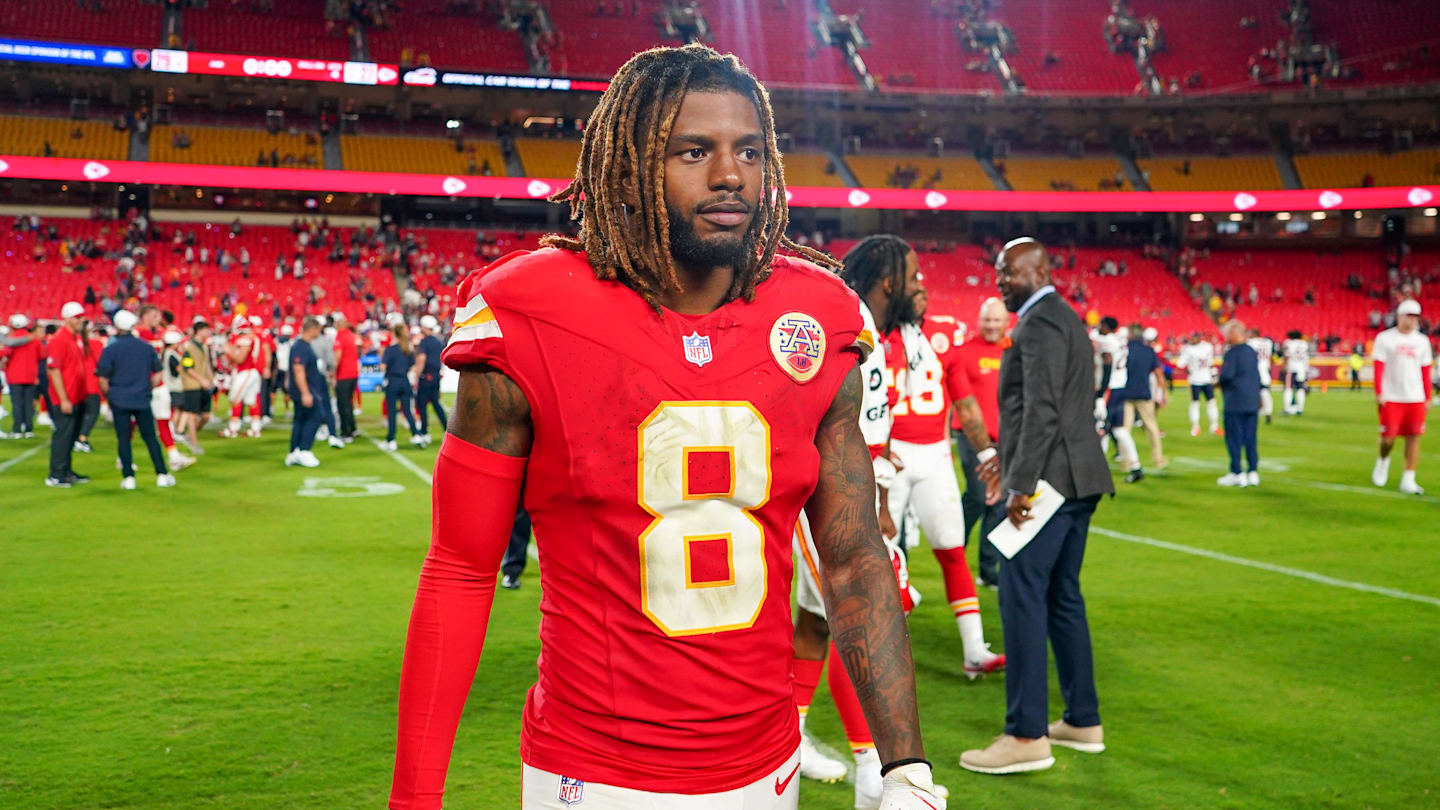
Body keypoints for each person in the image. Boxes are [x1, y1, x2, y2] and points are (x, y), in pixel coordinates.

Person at [389, 44, 943, 810]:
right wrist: (412, 799)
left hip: (769, 766)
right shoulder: (528, 311)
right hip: (595, 775)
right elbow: (460, 569)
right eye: (694, 151)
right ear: (627, 168)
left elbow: (851, 561)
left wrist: (903, 763)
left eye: (749, 150)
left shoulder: (817, 315)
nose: (730, 175)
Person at [961, 238, 1113, 775]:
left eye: (1009, 270)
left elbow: (1043, 409)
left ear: (1039, 270)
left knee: (1021, 591)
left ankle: (1026, 734)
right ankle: (1082, 718)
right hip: (1078, 476)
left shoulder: (1042, 319)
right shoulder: (1061, 316)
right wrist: (1006, 460)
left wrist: (1020, 485)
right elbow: (1048, 409)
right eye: (998, 270)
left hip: (1051, 482)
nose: (1000, 279)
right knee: (1062, 595)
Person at [883, 285, 1004, 679]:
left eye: (921, 285)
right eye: (911, 284)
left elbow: (965, 403)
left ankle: (974, 649)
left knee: (952, 548)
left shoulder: (944, 336)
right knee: (879, 551)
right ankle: (878, 650)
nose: (919, 291)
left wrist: (986, 453)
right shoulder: (874, 331)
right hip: (889, 452)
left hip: (935, 452)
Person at [954, 297, 1009, 587]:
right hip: (972, 438)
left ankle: (989, 571)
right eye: (987, 319)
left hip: (1005, 440)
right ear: (979, 320)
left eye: (996, 320)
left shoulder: (1014, 352)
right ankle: (953, 553)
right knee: (976, 495)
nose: (991, 325)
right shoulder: (963, 352)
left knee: (998, 504)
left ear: (1006, 322)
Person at [96, 310, 175, 490]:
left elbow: (102, 379)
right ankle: (162, 474)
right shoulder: (146, 347)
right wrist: (147, 388)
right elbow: (158, 373)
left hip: (119, 399)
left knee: (123, 439)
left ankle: (128, 477)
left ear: (117, 326)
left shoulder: (110, 349)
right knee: (150, 438)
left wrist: (110, 396)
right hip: (142, 398)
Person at [1371, 299, 1432, 495]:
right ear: (1399, 316)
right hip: (1392, 396)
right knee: (1388, 439)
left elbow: (1425, 371)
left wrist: (1427, 396)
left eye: (1415, 316)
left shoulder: (1422, 341)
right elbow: (1379, 368)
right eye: (1409, 315)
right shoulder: (1385, 339)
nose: (1412, 320)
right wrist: (1379, 392)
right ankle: (1383, 460)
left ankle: (1409, 477)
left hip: (1415, 397)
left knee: (1414, 436)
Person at [1113, 321, 1167, 482]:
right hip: (1144, 393)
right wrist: (1163, 393)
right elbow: (1158, 373)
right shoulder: (1149, 351)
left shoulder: (1125, 350)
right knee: (1152, 427)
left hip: (1125, 393)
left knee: (1124, 430)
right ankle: (1158, 458)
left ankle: (1126, 461)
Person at [44, 302, 91, 487]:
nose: (81, 320)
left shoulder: (74, 338)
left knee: (70, 437)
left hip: (76, 396)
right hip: (65, 398)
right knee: (63, 436)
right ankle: (56, 475)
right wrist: (63, 398)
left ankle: (66, 470)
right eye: (77, 317)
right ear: (68, 319)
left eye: (81, 317)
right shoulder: (59, 339)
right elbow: (54, 370)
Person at [1216, 321, 1261, 487]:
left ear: (1235, 334)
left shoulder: (1232, 352)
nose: (1226, 337)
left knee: (1234, 438)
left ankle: (1237, 472)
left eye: (1228, 333)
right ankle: (1253, 471)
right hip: (1252, 401)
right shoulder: (1251, 351)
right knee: (1251, 438)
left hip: (1236, 401)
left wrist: (1217, 383)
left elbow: (1227, 376)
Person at [284, 317, 325, 468]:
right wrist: (305, 393)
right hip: (306, 389)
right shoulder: (301, 346)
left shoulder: (302, 345)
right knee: (316, 415)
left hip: (304, 389)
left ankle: (294, 451)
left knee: (300, 420)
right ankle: (304, 449)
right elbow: (298, 370)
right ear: (312, 328)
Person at [221, 315, 265, 438]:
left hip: (246, 371)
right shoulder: (250, 338)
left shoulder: (245, 339)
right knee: (252, 401)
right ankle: (256, 429)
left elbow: (241, 359)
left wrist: (229, 351)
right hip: (250, 372)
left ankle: (232, 429)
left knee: (235, 398)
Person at [176, 321, 216, 454]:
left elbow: (206, 365)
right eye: (206, 329)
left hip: (204, 384)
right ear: (199, 330)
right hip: (192, 385)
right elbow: (187, 367)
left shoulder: (204, 346)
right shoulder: (189, 347)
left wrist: (210, 379)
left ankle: (189, 436)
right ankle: (194, 443)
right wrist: (202, 379)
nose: (209, 332)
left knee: (206, 416)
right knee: (192, 415)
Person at [2, 314, 42, 437]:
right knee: (29, 403)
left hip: (15, 376)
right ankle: (29, 429)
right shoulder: (34, 339)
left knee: (17, 403)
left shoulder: (11, 338)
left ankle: (17, 429)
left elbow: (5, 353)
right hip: (31, 376)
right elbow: (41, 355)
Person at [414, 315, 447, 442]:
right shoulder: (438, 341)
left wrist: (417, 375)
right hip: (435, 376)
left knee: (422, 405)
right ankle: (446, 428)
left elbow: (421, 360)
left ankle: (424, 432)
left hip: (426, 376)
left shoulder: (424, 342)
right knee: (436, 403)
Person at [1179, 332, 1220, 436]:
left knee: (1211, 403)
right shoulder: (1198, 348)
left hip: (1205, 379)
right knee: (1195, 404)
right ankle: (1195, 426)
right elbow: (1181, 365)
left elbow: (1181, 364)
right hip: (1195, 380)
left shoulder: (1202, 347)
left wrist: (1213, 377)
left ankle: (1214, 426)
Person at [73, 322, 105, 454]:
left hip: (75, 384)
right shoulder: (95, 344)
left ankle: (76, 438)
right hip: (91, 383)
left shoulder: (73, 343)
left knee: (78, 414)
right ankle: (82, 438)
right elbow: (101, 363)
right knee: (92, 413)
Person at [331, 312, 360, 441]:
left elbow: (337, 356)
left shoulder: (340, 336)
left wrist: (332, 373)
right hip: (353, 373)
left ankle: (346, 432)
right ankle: (353, 428)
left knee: (343, 404)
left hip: (344, 374)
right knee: (349, 402)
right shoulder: (351, 335)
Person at [1247, 328, 1275, 424]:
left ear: (1254, 333)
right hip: (1264, 369)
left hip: (1254, 370)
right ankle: (1268, 412)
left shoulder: (1250, 342)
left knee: (1254, 392)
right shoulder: (1267, 342)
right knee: (1265, 392)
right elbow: (1270, 357)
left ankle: (1257, 410)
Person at [1282, 330, 1310, 415]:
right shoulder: (1304, 343)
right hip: (1302, 369)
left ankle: (1287, 409)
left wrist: (1283, 367)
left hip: (1291, 368)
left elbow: (1287, 355)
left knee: (1288, 388)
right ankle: (1300, 409)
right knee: (1300, 389)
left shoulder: (1288, 343)